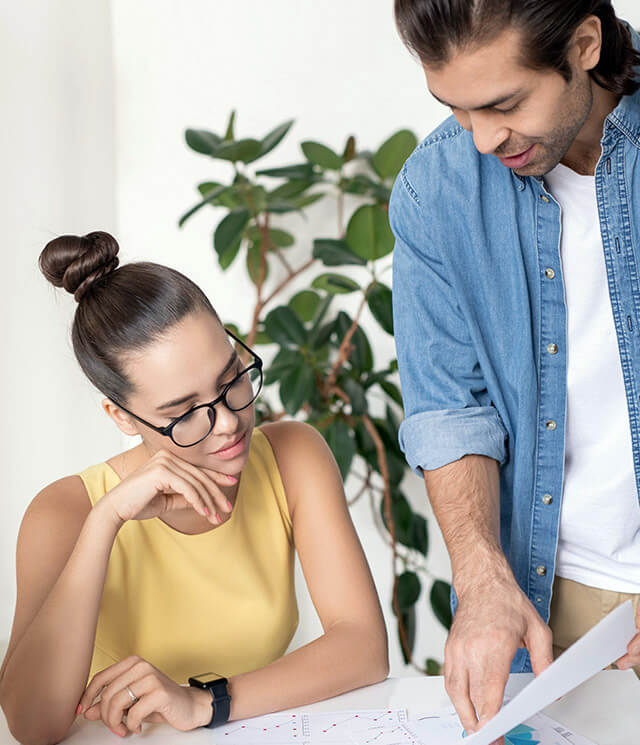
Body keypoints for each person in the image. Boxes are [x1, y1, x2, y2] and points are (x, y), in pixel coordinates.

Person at [389, 2, 640, 744]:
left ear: (583, 43)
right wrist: (479, 577)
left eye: (504, 104)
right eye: (454, 108)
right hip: (528, 606)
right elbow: (450, 410)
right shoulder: (432, 191)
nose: (481, 139)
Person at [0, 232, 389, 744]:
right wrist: (105, 522)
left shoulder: (294, 457)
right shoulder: (63, 512)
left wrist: (204, 701)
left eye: (231, 380)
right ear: (121, 416)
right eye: (184, 412)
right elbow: (32, 726)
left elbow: (364, 647)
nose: (228, 423)